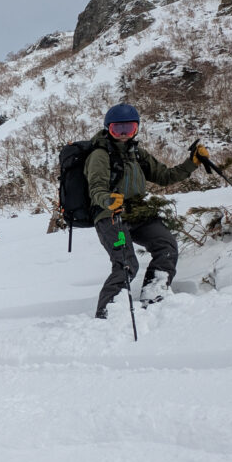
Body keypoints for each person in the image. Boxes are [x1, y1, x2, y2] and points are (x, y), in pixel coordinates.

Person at [85, 103, 209, 318]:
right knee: (126, 263)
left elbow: (165, 176)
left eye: (129, 128)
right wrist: (108, 200)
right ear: (108, 129)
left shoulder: (136, 153)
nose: (123, 134)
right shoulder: (99, 155)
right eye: (117, 129)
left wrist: (192, 163)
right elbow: (96, 188)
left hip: (138, 212)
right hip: (110, 215)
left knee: (166, 245)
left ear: (136, 129)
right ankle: (108, 312)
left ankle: (154, 295)